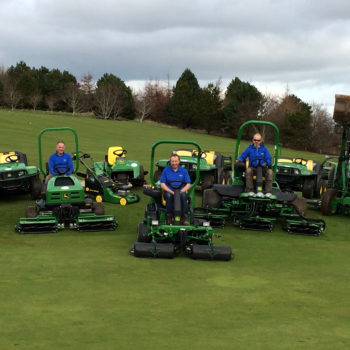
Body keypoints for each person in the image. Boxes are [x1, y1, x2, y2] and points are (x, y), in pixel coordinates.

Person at [160, 154, 191, 225]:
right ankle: (169, 217)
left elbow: (188, 184)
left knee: (183, 197)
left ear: (179, 161)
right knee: (168, 196)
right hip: (169, 190)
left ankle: (184, 218)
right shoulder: (166, 170)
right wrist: (171, 191)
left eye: (176, 161)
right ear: (170, 162)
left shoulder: (184, 171)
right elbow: (162, 184)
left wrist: (181, 191)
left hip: (181, 191)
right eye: (172, 161)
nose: (174, 163)